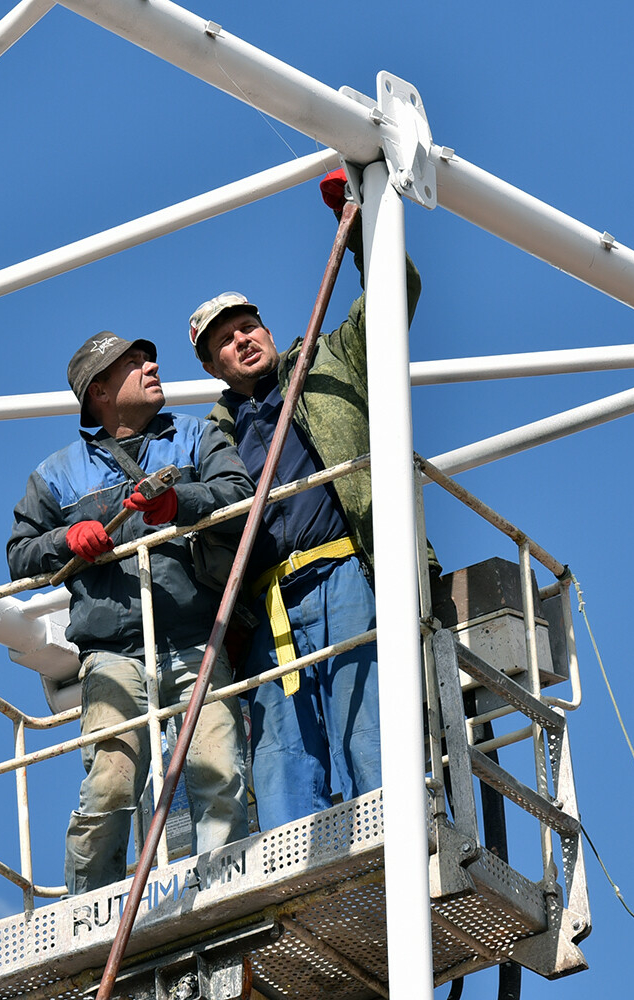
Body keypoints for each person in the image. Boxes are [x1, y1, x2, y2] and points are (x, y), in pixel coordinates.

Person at [187, 169, 454, 832]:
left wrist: (363, 228)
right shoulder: (209, 442)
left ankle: (392, 840)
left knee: (369, 722)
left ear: (269, 331)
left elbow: (399, 291)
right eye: (225, 339)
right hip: (270, 602)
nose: (243, 338)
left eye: (249, 326)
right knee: (283, 752)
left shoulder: (333, 360)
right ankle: (297, 875)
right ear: (212, 365)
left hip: (342, 575)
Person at [7, 331, 253, 894]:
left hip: (196, 637)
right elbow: (20, 554)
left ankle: (222, 894)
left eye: (148, 359)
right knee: (110, 787)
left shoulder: (196, 436)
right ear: (99, 391)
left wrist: (179, 502)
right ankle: (89, 907)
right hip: (114, 654)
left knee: (219, 773)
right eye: (133, 364)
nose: (152, 366)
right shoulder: (56, 475)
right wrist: (68, 539)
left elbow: (237, 494)